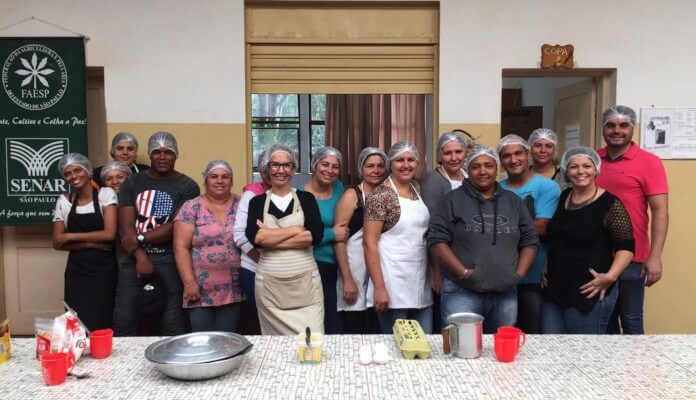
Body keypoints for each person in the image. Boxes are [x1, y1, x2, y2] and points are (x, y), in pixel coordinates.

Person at [428, 145, 538, 334]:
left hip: (505, 292)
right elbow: (437, 241)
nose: (483, 171)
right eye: (476, 166)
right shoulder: (452, 200)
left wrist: (518, 275)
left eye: (488, 165)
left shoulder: (513, 202)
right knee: (460, 348)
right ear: (468, 170)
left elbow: (530, 241)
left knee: (500, 353)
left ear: (497, 168)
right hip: (461, 291)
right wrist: (461, 272)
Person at [113, 131, 200, 336]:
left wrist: (140, 238)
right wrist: (141, 256)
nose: (162, 157)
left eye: (168, 152)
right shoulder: (132, 183)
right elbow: (125, 227)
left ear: (176, 154)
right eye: (157, 152)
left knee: (172, 323)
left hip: (170, 260)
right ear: (149, 155)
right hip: (131, 260)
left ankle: (173, 366)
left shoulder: (188, 186)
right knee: (124, 319)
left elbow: (177, 226)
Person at [543, 147, 635, 334]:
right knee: (550, 351)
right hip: (556, 289)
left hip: (589, 292)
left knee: (583, 354)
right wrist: (547, 263)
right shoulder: (564, 197)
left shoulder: (610, 204)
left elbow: (626, 246)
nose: (580, 171)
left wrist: (610, 276)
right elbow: (559, 237)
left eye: (587, 166)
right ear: (566, 171)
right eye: (574, 167)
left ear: (596, 170)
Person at [595, 105, 669, 335]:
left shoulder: (650, 162)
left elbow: (660, 211)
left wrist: (655, 256)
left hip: (633, 256)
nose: (617, 130)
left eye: (623, 125)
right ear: (603, 128)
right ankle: (607, 369)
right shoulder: (593, 160)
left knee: (631, 318)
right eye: (611, 125)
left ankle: (635, 370)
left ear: (632, 129)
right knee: (602, 318)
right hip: (596, 254)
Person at [246, 145, 324, 335]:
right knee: (275, 345)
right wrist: (297, 230)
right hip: (270, 289)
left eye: (286, 165)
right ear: (267, 169)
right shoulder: (256, 202)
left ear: (293, 168)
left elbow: (315, 236)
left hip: (306, 286)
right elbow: (256, 238)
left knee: (312, 338)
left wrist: (270, 237)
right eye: (275, 165)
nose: (281, 170)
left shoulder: (306, 199)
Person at [363, 141, 433, 333]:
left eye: (411, 160)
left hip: (419, 280)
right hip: (391, 283)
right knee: (397, 348)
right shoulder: (380, 196)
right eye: (399, 160)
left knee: (424, 344)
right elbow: (369, 242)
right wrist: (379, 287)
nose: (406, 164)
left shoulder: (416, 190)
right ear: (390, 164)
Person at [497, 134, 560, 334]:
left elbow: (542, 226)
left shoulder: (547, 187)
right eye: (506, 156)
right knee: (504, 330)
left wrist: (501, 229)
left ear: (527, 154)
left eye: (518, 153)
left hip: (534, 274)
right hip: (501, 273)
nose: (513, 160)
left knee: (532, 332)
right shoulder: (497, 188)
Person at [173, 160, 244, 332]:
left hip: (235, 289)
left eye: (225, 177)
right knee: (203, 341)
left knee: (229, 340)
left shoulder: (242, 205)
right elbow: (180, 247)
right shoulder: (191, 207)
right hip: (200, 290)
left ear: (231, 181)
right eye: (214, 177)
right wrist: (189, 283)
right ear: (206, 180)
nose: (219, 181)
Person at [52, 153, 118, 331]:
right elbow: (57, 242)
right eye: (68, 173)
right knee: (75, 322)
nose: (73, 176)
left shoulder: (106, 194)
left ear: (87, 171)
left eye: (77, 170)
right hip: (76, 271)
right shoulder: (64, 201)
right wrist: (91, 243)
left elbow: (110, 234)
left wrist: (71, 236)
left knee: (102, 318)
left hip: (105, 271)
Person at [420, 131, 473, 330]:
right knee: (448, 319)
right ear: (439, 156)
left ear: (466, 153)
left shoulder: (469, 176)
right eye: (448, 153)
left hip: (466, 253)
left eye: (458, 151)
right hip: (445, 258)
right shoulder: (434, 180)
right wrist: (437, 272)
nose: (454, 157)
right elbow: (433, 229)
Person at [333, 147, 387, 334]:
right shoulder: (351, 195)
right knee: (354, 327)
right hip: (354, 269)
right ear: (360, 169)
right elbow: (339, 240)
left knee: (375, 326)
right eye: (370, 166)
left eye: (380, 166)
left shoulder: (387, 195)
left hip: (378, 268)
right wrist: (347, 278)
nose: (376, 170)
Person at [303, 146, 348, 334]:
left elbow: (344, 223)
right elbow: (301, 235)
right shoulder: (301, 195)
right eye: (325, 164)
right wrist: (331, 234)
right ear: (315, 165)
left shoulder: (339, 188)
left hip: (338, 264)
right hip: (312, 265)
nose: (330, 171)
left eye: (335, 166)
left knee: (336, 320)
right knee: (316, 319)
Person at [233, 151, 270, 332]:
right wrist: (264, 262)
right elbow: (240, 235)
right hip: (255, 269)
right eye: (270, 168)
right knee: (259, 322)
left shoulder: (293, 194)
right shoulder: (252, 195)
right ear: (262, 172)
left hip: (278, 270)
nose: (276, 172)